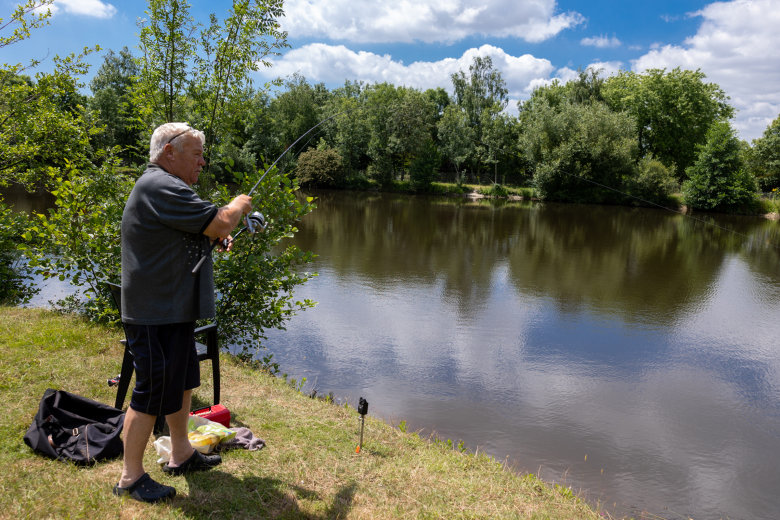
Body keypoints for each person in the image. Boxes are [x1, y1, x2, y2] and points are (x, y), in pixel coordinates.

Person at [113, 123, 252, 503]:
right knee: (151, 392)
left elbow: (200, 229)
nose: (203, 162)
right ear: (169, 152)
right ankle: (130, 477)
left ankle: (181, 453)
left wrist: (213, 234)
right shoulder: (160, 184)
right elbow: (222, 219)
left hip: (172, 310)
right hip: (153, 312)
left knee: (185, 379)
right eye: (196, 154)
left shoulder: (170, 189)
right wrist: (238, 206)